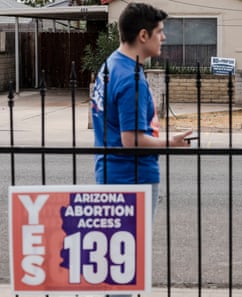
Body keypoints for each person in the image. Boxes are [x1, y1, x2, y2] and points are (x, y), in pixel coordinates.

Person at [90, 3, 192, 295]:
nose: (165, 37)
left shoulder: (112, 64)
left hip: (111, 173)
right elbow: (131, 139)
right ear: (143, 35)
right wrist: (171, 142)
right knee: (125, 261)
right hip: (132, 178)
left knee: (115, 259)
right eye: (160, 32)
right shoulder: (131, 78)